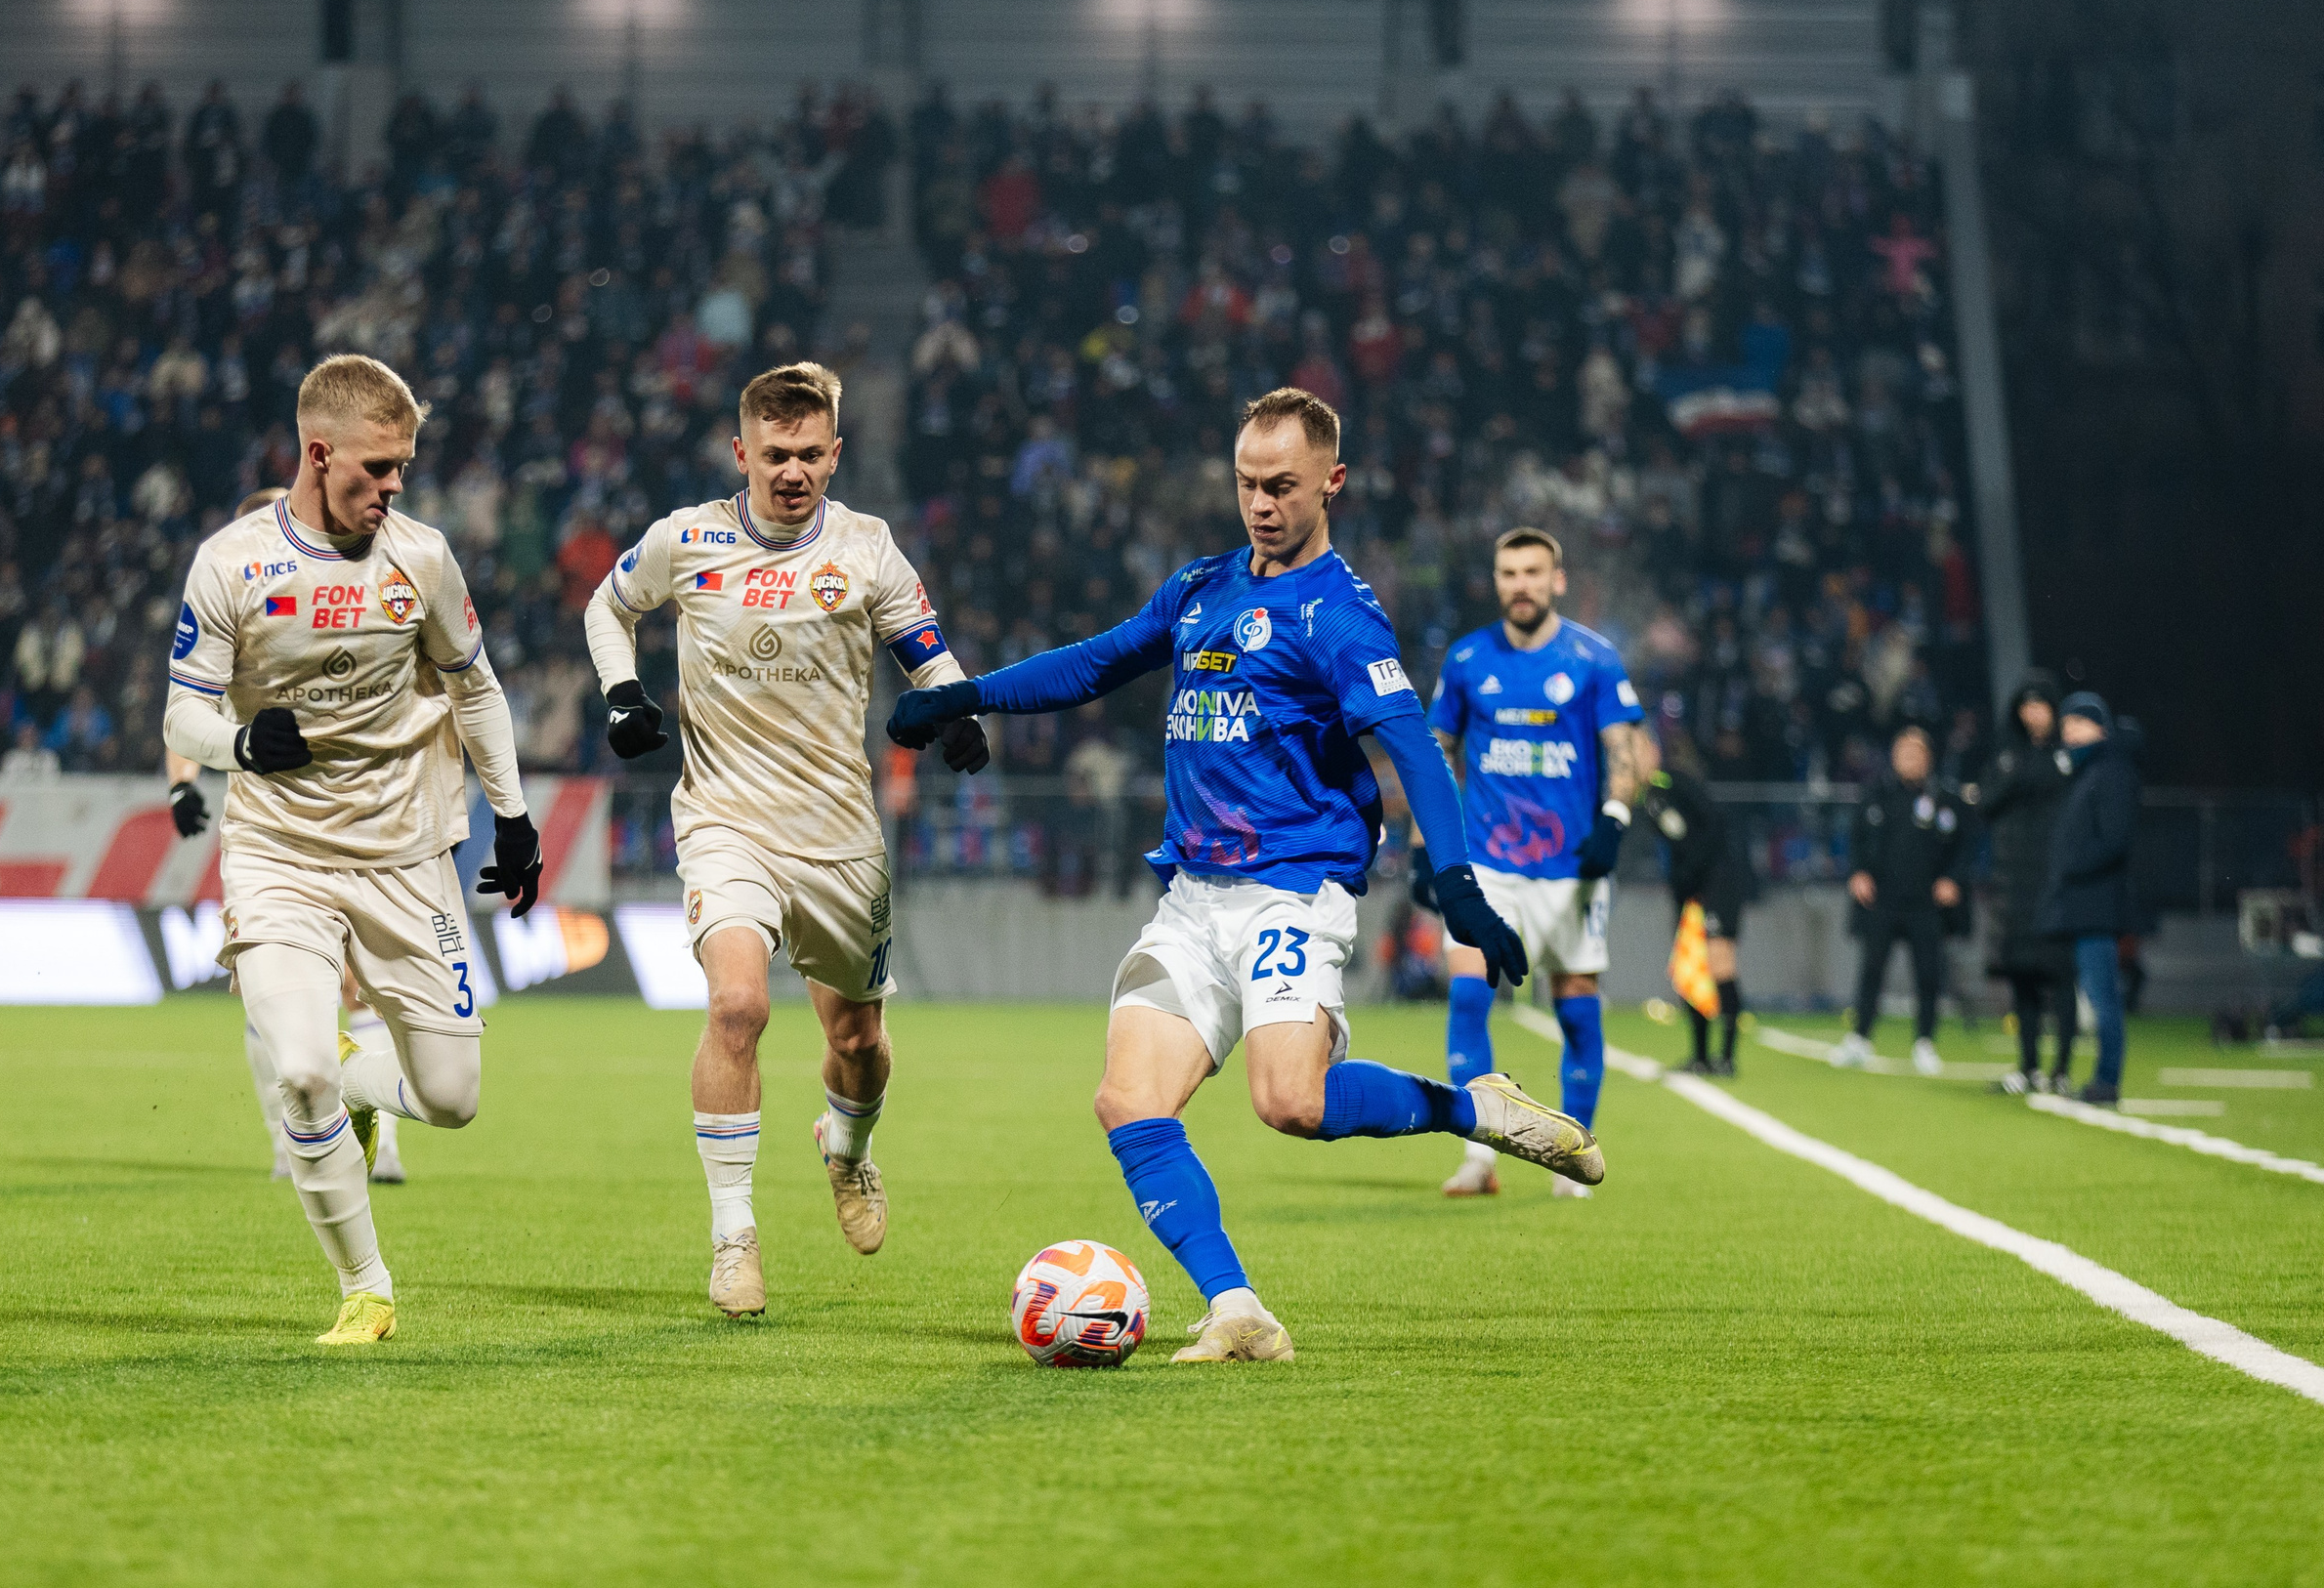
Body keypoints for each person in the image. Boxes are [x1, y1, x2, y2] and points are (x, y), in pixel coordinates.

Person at [889, 388, 1586, 1366]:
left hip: (1292, 887)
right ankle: (1235, 1309)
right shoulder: (1200, 586)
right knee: (1126, 1101)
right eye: (1247, 484)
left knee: (1290, 1104)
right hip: (1191, 896)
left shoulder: (1339, 618)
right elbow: (1095, 664)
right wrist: (962, 696)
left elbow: (1414, 748)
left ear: (1331, 483)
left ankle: (1474, 1108)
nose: (1260, 503)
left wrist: (1458, 881)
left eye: (1283, 486)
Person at [583, 362, 988, 1319]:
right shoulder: (684, 541)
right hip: (726, 823)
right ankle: (733, 1240)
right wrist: (621, 693)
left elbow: (925, 650)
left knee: (860, 1045)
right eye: (775, 455)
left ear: (835, 454)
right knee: (736, 1009)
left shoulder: (868, 547)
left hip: (840, 839)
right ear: (741, 454)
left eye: (810, 454)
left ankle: (846, 1151)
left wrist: (958, 711)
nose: (793, 470)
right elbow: (609, 608)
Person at [161, 354, 541, 1346]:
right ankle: (365, 1289)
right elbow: (183, 711)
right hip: (280, 855)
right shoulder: (231, 563)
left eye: (404, 466)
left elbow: (478, 687)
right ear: (317, 453)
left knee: (453, 1102)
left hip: (408, 854)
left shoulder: (423, 557)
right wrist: (238, 743)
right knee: (297, 1074)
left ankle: (354, 1075)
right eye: (377, 468)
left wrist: (513, 816)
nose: (395, 486)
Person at [171, 487, 404, 1184]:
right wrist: (184, 783)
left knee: (362, 988)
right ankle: (288, 1139)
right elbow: (189, 703)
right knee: (268, 995)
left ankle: (381, 1143)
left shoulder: (355, 596)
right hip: (268, 838)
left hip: (356, 829)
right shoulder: (239, 602)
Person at [1416, 526, 1645, 1197]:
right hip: (1489, 861)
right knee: (1466, 994)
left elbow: (1623, 749)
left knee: (1576, 1005)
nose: (1521, 584)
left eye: (1532, 572)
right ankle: (1479, 1156)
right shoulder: (1465, 660)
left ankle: (1574, 1156)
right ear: (1496, 580)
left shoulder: (1594, 657)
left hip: (1570, 864)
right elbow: (1437, 751)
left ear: (1557, 579)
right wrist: (1426, 846)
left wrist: (1615, 817)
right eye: (1509, 572)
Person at [1834, 725, 1971, 1074]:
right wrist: (1859, 872)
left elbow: (1966, 846)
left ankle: (1925, 1042)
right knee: (1871, 970)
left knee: (1928, 973)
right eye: (1903, 753)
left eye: (1916, 753)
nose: (1909, 760)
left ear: (1928, 759)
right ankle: (1860, 1038)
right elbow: (1856, 838)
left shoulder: (1944, 799)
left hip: (1926, 903)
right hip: (1882, 900)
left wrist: (1952, 879)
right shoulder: (1877, 794)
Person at [1972, 671, 2076, 1095]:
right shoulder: (2006, 757)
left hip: (2056, 883)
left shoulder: (2070, 758)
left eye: (2041, 706)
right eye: (2027, 706)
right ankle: (2029, 1066)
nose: (2034, 714)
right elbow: (1985, 803)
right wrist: (2015, 773)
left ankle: (2063, 1069)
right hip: (2015, 882)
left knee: (2060, 977)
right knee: (2022, 977)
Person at [2038, 692, 2141, 1106]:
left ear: (2101, 728)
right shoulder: (2087, 774)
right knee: (2095, 996)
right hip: (2083, 905)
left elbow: (2114, 840)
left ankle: (2107, 1079)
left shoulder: (2111, 771)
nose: (2070, 732)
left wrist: (2070, 865)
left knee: (2103, 997)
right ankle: (2101, 1077)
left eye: (2080, 723)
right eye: (2066, 725)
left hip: (2096, 905)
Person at [1628, 729, 1751, 1075]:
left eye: (1637, 750)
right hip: (1693, 889)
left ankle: (1726, 1057)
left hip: (1719, 881)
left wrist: (1697, 873)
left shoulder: (1675, 781)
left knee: (1720, 961)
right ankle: (1699, 1056)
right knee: (1689, 966)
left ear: (1653, 751)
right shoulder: (1649, 797)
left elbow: (1714, 826)